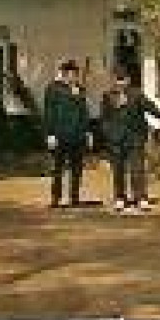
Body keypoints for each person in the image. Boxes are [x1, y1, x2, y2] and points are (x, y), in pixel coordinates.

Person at [99, 71, 160, 211]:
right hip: (116, 140)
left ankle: (140, 198)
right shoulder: (108, 96)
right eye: (117, 80)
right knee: (118, 170)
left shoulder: (137, 94)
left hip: (135, 137)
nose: (120, 83)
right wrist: (109, 134)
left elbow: (149, 106)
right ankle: (120, 198)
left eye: (122, 79)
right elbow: (104, 118)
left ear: (128, 80)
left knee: (137, 169)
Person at [42, 59, 91, 208]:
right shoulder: (53, 89)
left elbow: (84, 113)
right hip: (59, 135)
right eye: (70, 74)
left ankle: (74, 197)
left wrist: (88, 132)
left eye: (75, 74)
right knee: (58, 168)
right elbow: (49, 112)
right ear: (63, 74)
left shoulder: (80, 90)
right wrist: (50, 134)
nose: (73, 77)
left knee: (77, 169)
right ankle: (56, 198)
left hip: (78, 136)